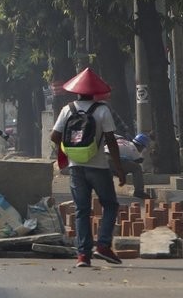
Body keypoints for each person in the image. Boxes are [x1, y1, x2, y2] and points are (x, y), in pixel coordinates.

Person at [50, 67, 125, 268]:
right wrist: (119, 168)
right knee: (110, 204)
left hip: (76, 168)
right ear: (95, 92)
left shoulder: (68, 109)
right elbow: (111, 140)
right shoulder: (102, 110)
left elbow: (54, 136)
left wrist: (67, 150)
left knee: (82, 210)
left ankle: (83, 255)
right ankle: (103, 245)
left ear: (76, 91)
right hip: (98, 166)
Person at [105, 133, 151, 199]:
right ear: (141, 146)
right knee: (137, 168)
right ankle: (139, 191)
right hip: (111, 157)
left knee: (111, 170)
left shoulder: (126, 143)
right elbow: (136, 162)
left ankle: (106, 192)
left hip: (102, 156)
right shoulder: (134, 148)